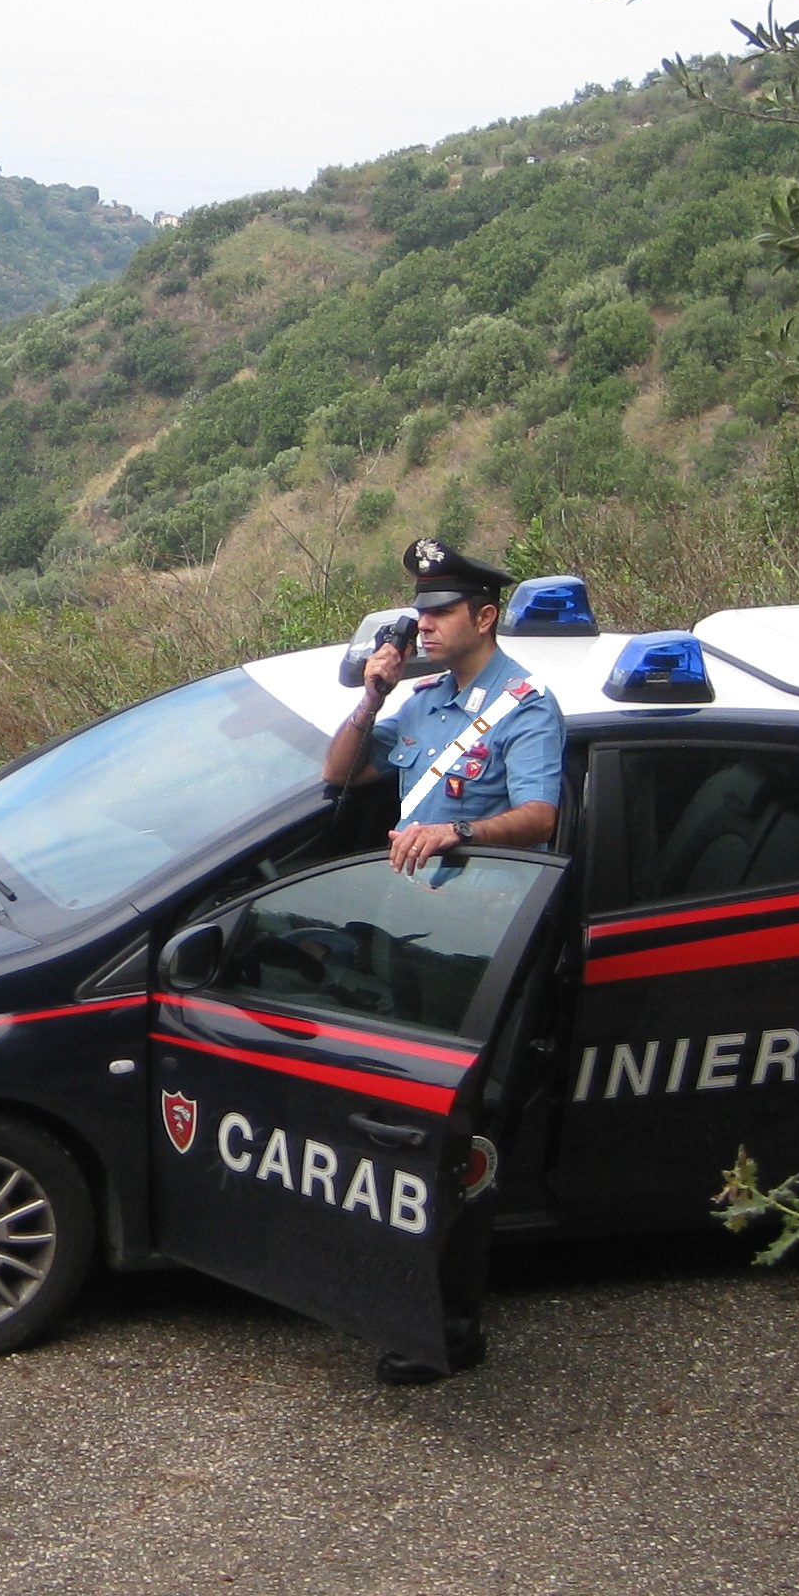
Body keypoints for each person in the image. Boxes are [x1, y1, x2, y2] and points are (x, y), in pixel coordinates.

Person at [319, 535, 565, 1383]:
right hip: (405, 944)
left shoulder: (526, 705)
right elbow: (339, 774)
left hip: (475, 950)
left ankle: (451, 1326)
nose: (421, 623)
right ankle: (402, 1296)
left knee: (459, 1139)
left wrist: (454, 831)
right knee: (402, 1128)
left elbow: (539, 815)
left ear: (484, 616)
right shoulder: (420, 702)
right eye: (418, 611)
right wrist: (372, 694)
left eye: (438, 611)